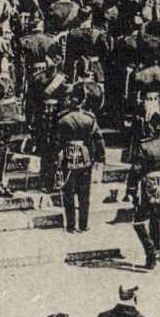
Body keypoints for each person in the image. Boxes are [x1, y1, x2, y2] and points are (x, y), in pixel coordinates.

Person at [126, 110, 160, 269]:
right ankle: (153, 257)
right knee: (156, 221)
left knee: (138, 221)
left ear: (150, 126)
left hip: (147, 185)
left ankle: (151, 251)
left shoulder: (144, 146)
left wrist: (131, 189)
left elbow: (136, 170)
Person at [52, 84, 106, 233]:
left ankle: (70, 225)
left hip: (68, 158)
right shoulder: (89, 119)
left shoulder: (62, 119)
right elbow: (98, 140)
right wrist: (100, 158)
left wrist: (56, 159)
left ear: (70, 100)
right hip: (85, 158)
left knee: (68, 193)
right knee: (84, 194)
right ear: (83, 100)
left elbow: (56, 142)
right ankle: (83, 225)